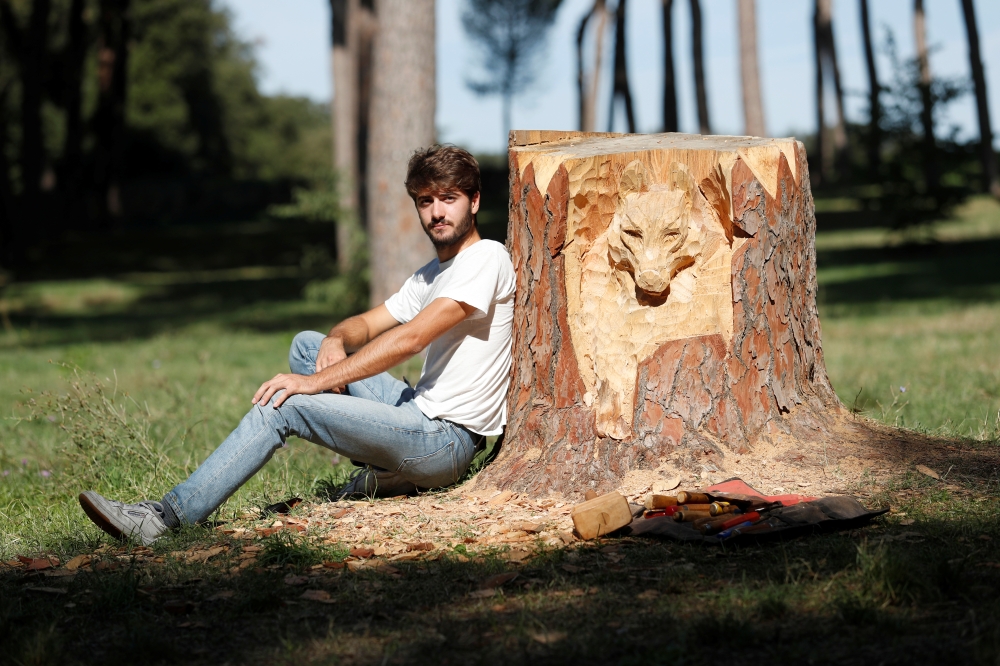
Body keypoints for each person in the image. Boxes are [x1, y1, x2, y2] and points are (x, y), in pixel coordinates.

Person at [78, 145, 515, 545]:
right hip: (418, 412)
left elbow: (412, 338)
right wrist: (334, 340)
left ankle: (163, 519)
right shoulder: (430, 274)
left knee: (287, 402)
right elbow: (364, 323)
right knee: (308, 346)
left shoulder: (486, 257)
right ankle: (386, 467)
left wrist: (316, 384)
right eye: (426, 201)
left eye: (449, 198)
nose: (437, 212)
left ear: (474, 202)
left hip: (446, 440)